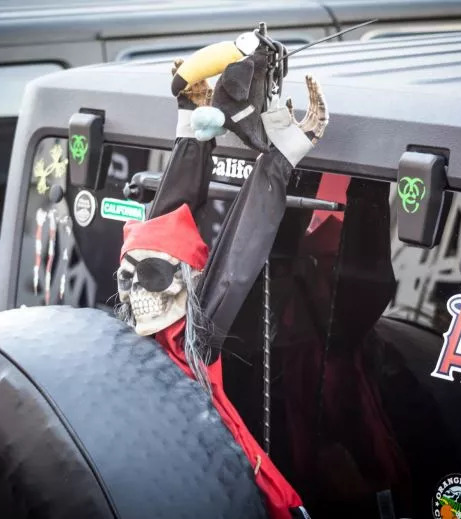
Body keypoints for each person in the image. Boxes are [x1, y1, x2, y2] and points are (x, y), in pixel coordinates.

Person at [115, 46, 327, 519]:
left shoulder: (193, 337)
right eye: (126, 279)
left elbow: (236, 259)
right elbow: (165, 224)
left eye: (150, 277)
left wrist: (278, 160)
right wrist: (191, 125)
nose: (136, 295)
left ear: (188, 281)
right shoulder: (147, 333)